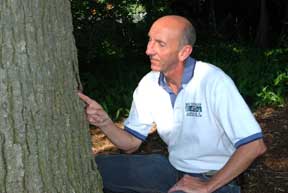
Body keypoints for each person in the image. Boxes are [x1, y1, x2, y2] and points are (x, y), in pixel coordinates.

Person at [78, 15, 267, 193]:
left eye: (160, 44)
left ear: (184, 52)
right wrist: (104, 122)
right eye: (150, 40)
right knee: (93, 168)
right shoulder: (149, 84)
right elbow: (130, 144)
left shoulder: (213, 81)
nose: (148, 50)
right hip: (172, 170)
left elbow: (254, 145)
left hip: (218, 179)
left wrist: (207, 186)